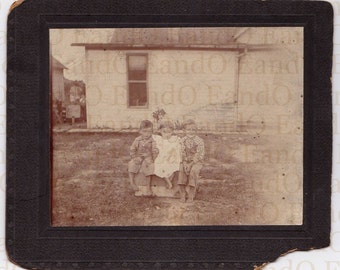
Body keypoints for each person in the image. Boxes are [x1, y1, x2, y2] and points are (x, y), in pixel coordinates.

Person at [128, 120, 159, 196]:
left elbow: (154, 150)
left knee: (149, 167)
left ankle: (148, 187)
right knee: (132, 164)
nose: (147, 134)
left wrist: (154, 155)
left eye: (149, 132)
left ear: (152, 132)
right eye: (144, 131)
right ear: (140, 131)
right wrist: (134, 157)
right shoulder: (137, 140)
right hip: (138, 156)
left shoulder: (153, 141)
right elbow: (132, 149)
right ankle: (132, 182)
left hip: (148, 157)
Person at [178, 119, 205, 203]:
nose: (191, 132)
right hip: (185, 161)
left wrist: (191, 163)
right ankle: (182, 193)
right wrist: (185, 162)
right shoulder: (182, 140)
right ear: (184, 130)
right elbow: (181, 152)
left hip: (196, 161)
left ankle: (191, 193)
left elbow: (200, 154)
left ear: (196, 131)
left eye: (193, 130)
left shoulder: (199, 141)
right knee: (181, 170)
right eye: (189, 129)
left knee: (193, 171)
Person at [153, 120, 181, 189]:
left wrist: (173, 155)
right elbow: (154, 146)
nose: (167, 134)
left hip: (172, 157)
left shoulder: (174, 139)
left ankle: (170, 180)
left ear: (172, 132)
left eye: (169, 132)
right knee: (160, 167)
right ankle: (168, 181)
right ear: (160, 131)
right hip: (161, 157)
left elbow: (177, 148)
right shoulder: (159, 139)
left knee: (175, 166)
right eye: (164, 132)